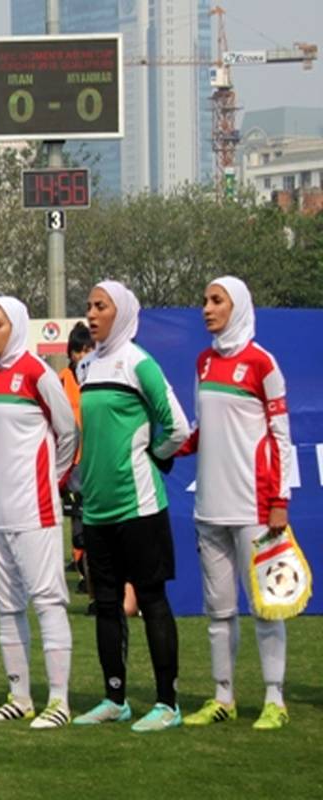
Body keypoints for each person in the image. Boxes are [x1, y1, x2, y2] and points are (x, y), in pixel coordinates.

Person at [0, 297, 79, 730]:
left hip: (35, 510)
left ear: (16, 326)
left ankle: (58, 701)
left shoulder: (38, 374)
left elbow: (68, 433)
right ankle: (19, 697)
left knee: (47, 601)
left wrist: (51, 482)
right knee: (7, 607)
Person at [72, 280, 190, 733]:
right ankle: (115, 699)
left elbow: (177, 427)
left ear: (120, 313)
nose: (91, 314)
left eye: (100, 306)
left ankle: (167, 704)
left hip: (139, 506)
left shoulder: (140, 363)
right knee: (106, 605)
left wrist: (152, 457)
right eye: (89, 306)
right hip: (97, 509)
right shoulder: (87, 367)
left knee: (152, 601)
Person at [179, 276, 293, 731]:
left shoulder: (263, 363)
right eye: (205, 301)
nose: (207, 308)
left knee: (266, 606)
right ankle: (223, 696)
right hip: (209, 506)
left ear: (238, 306)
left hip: (254, 508)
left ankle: (274, 699)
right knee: (218, 610)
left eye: (217, 301)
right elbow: (199, 429)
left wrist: (279, 500)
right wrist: (163, 447)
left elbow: (281, 437)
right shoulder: (204, 362)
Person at [59, 322, 93, 592]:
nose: (81, 356)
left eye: (86, 350)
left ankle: (89, 572)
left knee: (93, 517)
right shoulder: (62, 379)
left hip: (96, 458)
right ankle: (82, 570)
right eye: (76, 351)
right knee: (76, 517)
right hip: (72, 461)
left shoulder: (99, 376)